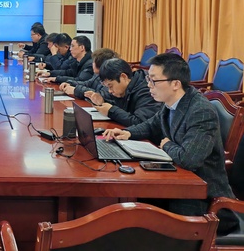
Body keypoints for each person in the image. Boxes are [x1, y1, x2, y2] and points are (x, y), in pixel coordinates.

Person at [103, 53, 239, 235]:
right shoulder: (172, 102)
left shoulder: (201, 111)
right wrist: (128, 132)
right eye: (148, 79)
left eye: (154, 81)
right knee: (130, 209)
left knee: (137, 215)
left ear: (175, 83)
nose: (148, 85)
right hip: (180, 186)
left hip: (205, 203)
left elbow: (189, 159)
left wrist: (166, 145)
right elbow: (152, 125)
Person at [84, 58, 161, 126]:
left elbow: (140, 122)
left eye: (110, 86)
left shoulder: (147, 90)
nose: (110, 91)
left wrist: (111, 111)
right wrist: (102, 101)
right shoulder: (124, 88)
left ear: (123, 77)